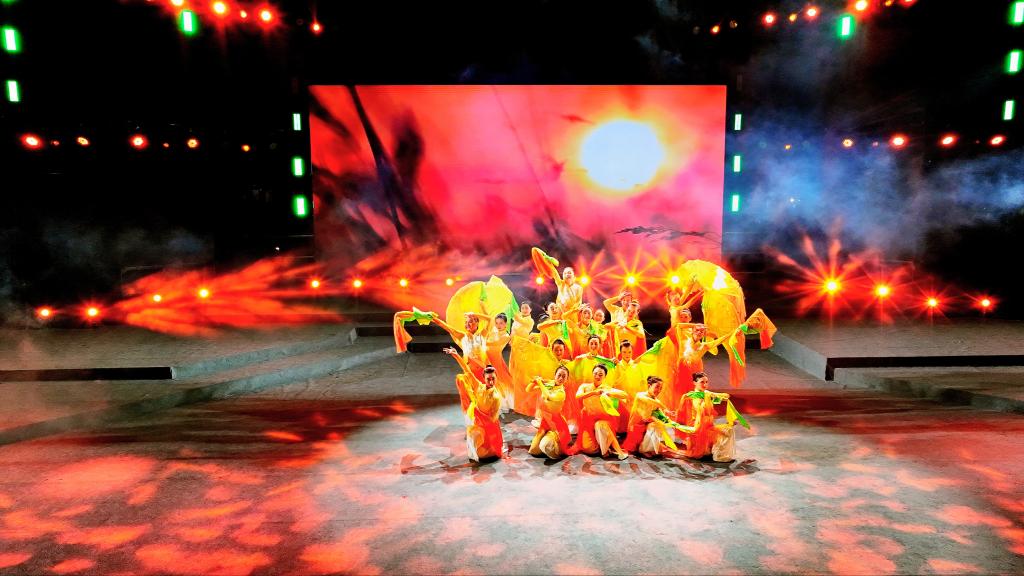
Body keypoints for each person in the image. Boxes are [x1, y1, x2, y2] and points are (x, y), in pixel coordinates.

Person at [444, 347, 504, 463]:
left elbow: (493, 418)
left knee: (484, 452)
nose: (491, 382)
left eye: (493, 379)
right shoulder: (479, 386)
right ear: (484, 378)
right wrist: (456, 355)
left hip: (488, 426)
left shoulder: (496, 396)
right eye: (488, 379)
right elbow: (467, 371)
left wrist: (480, 416)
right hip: (478, 420)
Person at [678, 372, 748, 462]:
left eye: (706, 382)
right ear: (694, 383)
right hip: (699, 428)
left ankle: (716, 452)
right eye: (702, 382)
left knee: (728, 430)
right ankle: (714, 453)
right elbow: (688, 415)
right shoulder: (690, 397)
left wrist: (720, 397)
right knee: (725, 432)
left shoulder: (707, 394)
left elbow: (722, 397)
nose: (705, 385)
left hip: (708, 426)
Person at [622, 376, 692, 457]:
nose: (659, 390)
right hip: (636, 426)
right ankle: (643, 449)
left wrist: (668, 417)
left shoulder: (656, 400)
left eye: (661, 388)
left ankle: (646, 449)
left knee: (657, 425)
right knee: (655, 425)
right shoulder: (640, 395)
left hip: (646, 424)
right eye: (657, 387)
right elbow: (653, 403)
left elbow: (660, 414)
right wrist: (665, 408)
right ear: (649, 386)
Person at [575, 364, 629, 460]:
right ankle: (604, 446)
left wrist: (609, 393)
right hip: (588, 421)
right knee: (589, 449)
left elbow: (625, 395)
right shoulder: (584, 386)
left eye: (600, 375)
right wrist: (594, 393)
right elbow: (578, 396)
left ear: (605, 376)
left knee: (600, 424)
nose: (597, 376)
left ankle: (613, 450)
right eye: (595, 373)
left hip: (604, 420)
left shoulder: (606, 388)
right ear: (592, 374)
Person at [525, 365, 576, 459]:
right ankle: (548, 440)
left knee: (545, 446)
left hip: (556, 423)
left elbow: (548, 397)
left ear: (566, 379)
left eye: (564, 376)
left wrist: (540, 383)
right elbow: (528, 389)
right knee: (533, 451)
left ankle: (556, 446)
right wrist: (535, 381)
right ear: (555, 375)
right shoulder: (549, 384)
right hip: (546, 420)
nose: (561, 378)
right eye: (559, 375)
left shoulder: (561, 393)